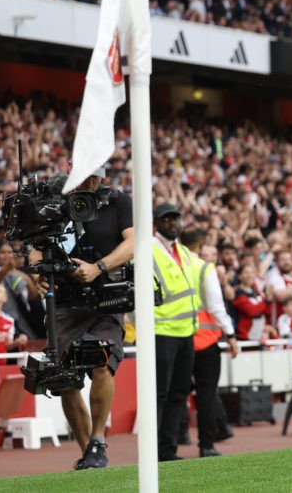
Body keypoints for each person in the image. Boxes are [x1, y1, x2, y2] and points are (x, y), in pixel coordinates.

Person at [29, 167, 134, 471]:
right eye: (83, 177)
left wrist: (99, 266)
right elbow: (35, 252)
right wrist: (40, 275)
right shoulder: (55, 205)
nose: (89, 182)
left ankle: (98, 440)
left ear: (103, 177)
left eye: (95, 176)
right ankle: (90, 453)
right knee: (65, 378)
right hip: (63, 302)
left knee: (101, 362)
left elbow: (133, 241)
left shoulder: (118, 202)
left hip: (107, 298)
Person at [151, 202, 202, 462]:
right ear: (156, 223)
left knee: (178, 393)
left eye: (176, 218)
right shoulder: (148, 249)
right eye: (167, 219)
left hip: (185, 331)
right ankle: (154, 451)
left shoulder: (182, 251)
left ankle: (167, 451)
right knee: (160, 394)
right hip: (161, 331)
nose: (173, 223)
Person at [183, 226, 239, 458]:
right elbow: (216, 306)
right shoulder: (205, 268)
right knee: (206, 395)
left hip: (178, 338)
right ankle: (206, 445)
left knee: (174, 395)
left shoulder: (171, 264)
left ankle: (167, 444)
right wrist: (231, 334)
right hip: (205, 340)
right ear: (199, 246)